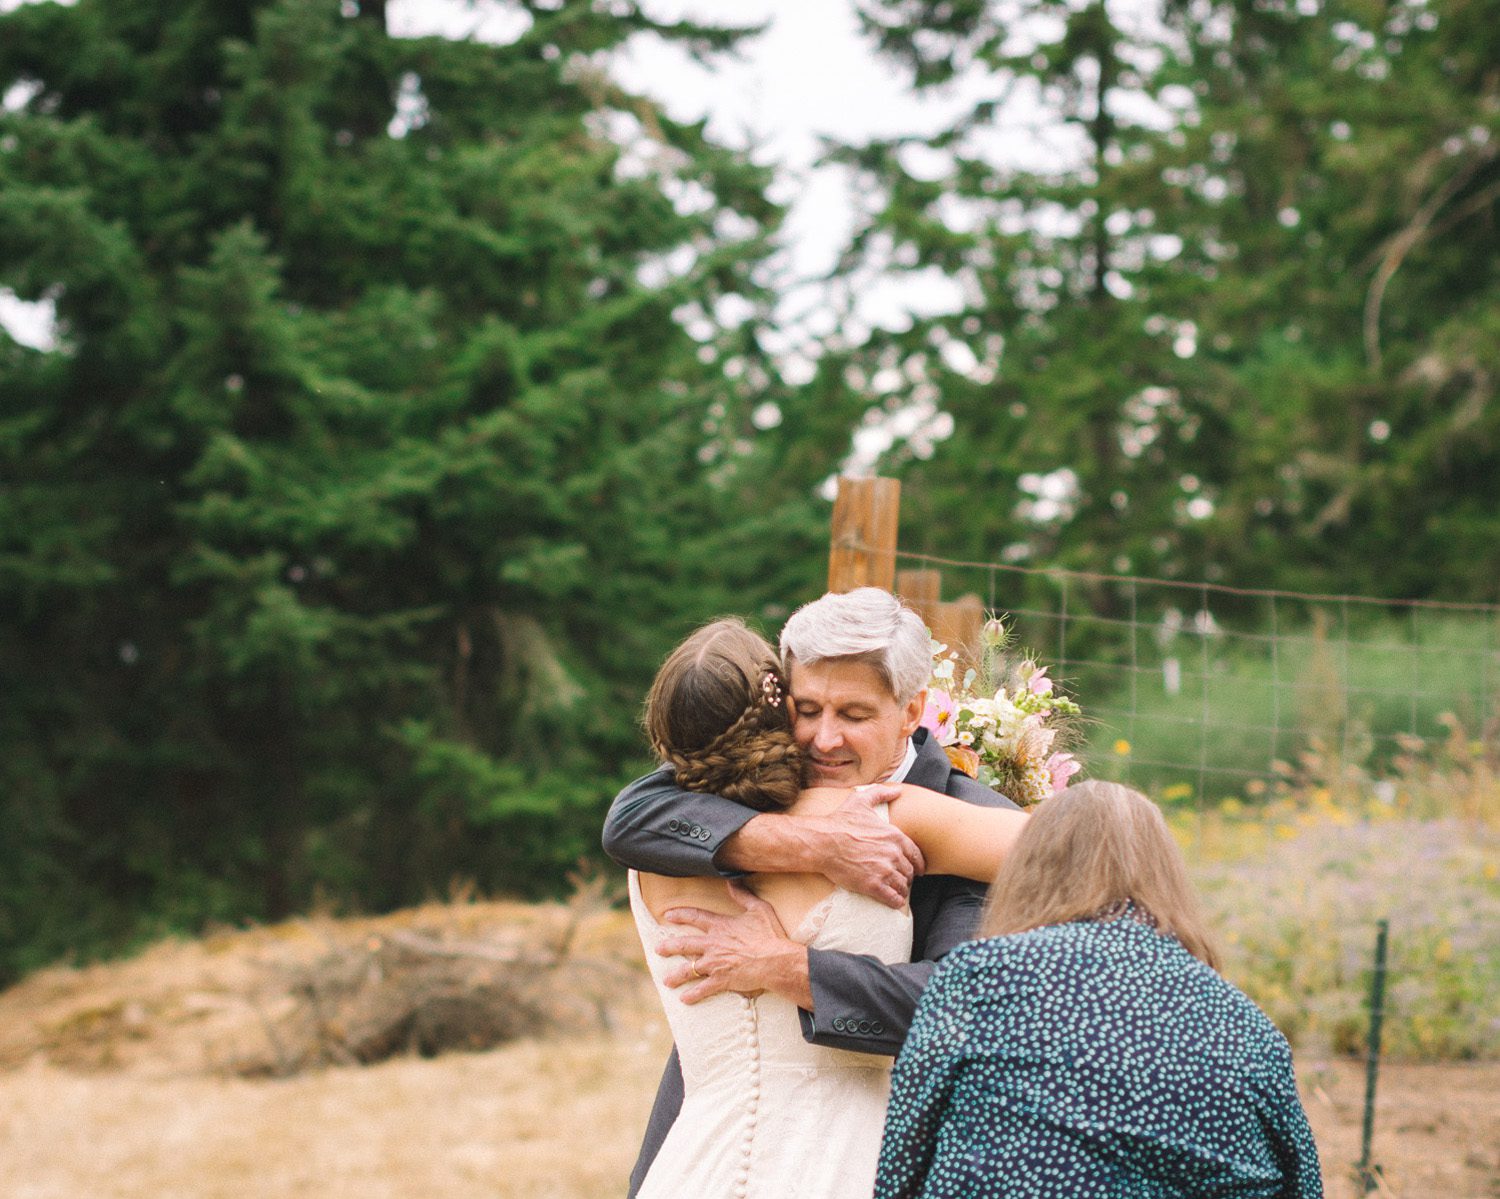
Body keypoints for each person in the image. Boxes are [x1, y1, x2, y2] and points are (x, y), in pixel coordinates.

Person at [620, 615, 1030, 1199]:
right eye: (807, 711)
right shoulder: (894, 817)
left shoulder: (655, 854)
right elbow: (1074, 849)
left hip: (692, 1169)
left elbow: (966, 1009)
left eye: (854, 715)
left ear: (913, 712)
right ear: (779, 707)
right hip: (842, 1159)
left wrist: (788, 965)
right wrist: (821, 842)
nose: (823, 739)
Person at [874, 780, 1324, 1199]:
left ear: (1029, 871)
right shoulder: (1249, 1028)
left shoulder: (977, 978)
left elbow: (903, 1167)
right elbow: (1303, 1185)